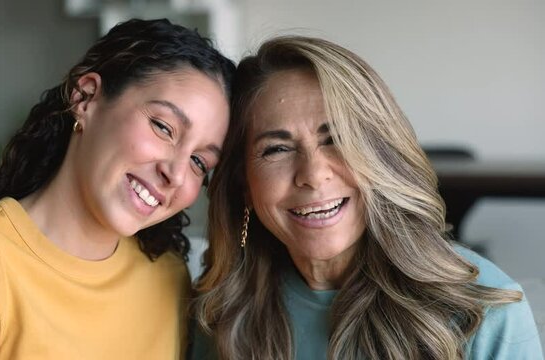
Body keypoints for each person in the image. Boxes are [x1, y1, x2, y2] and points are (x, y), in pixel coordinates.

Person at [0, 18, 235, 360]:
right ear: (86, 98)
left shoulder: (168, 279)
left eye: (199, 162)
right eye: (163, 126)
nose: (175, 173)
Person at [191, 36, 543, 360]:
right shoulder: (220, 313)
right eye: (277, 149)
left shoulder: (486, 311)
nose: (313, 174)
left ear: (381, 154)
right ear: (244, 184)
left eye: (337, 138)